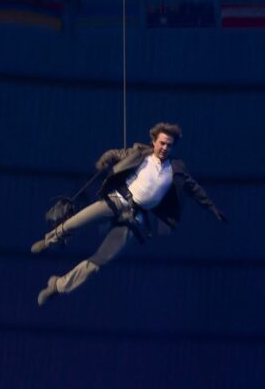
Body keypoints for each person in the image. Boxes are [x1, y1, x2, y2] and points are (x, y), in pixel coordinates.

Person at [32, 122, 228, 305]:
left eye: (169, 145)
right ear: (154, 141)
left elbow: (195, 190)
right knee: (75, 222)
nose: (164, 148)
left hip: (135, 219)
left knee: (101, 260)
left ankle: (58, 285)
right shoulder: (141, 153)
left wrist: (213, 209)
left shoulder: (176, 168)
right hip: (117, 200)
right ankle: (50, 240)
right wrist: (106, 158)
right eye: (162, 143)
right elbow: (116, 153)